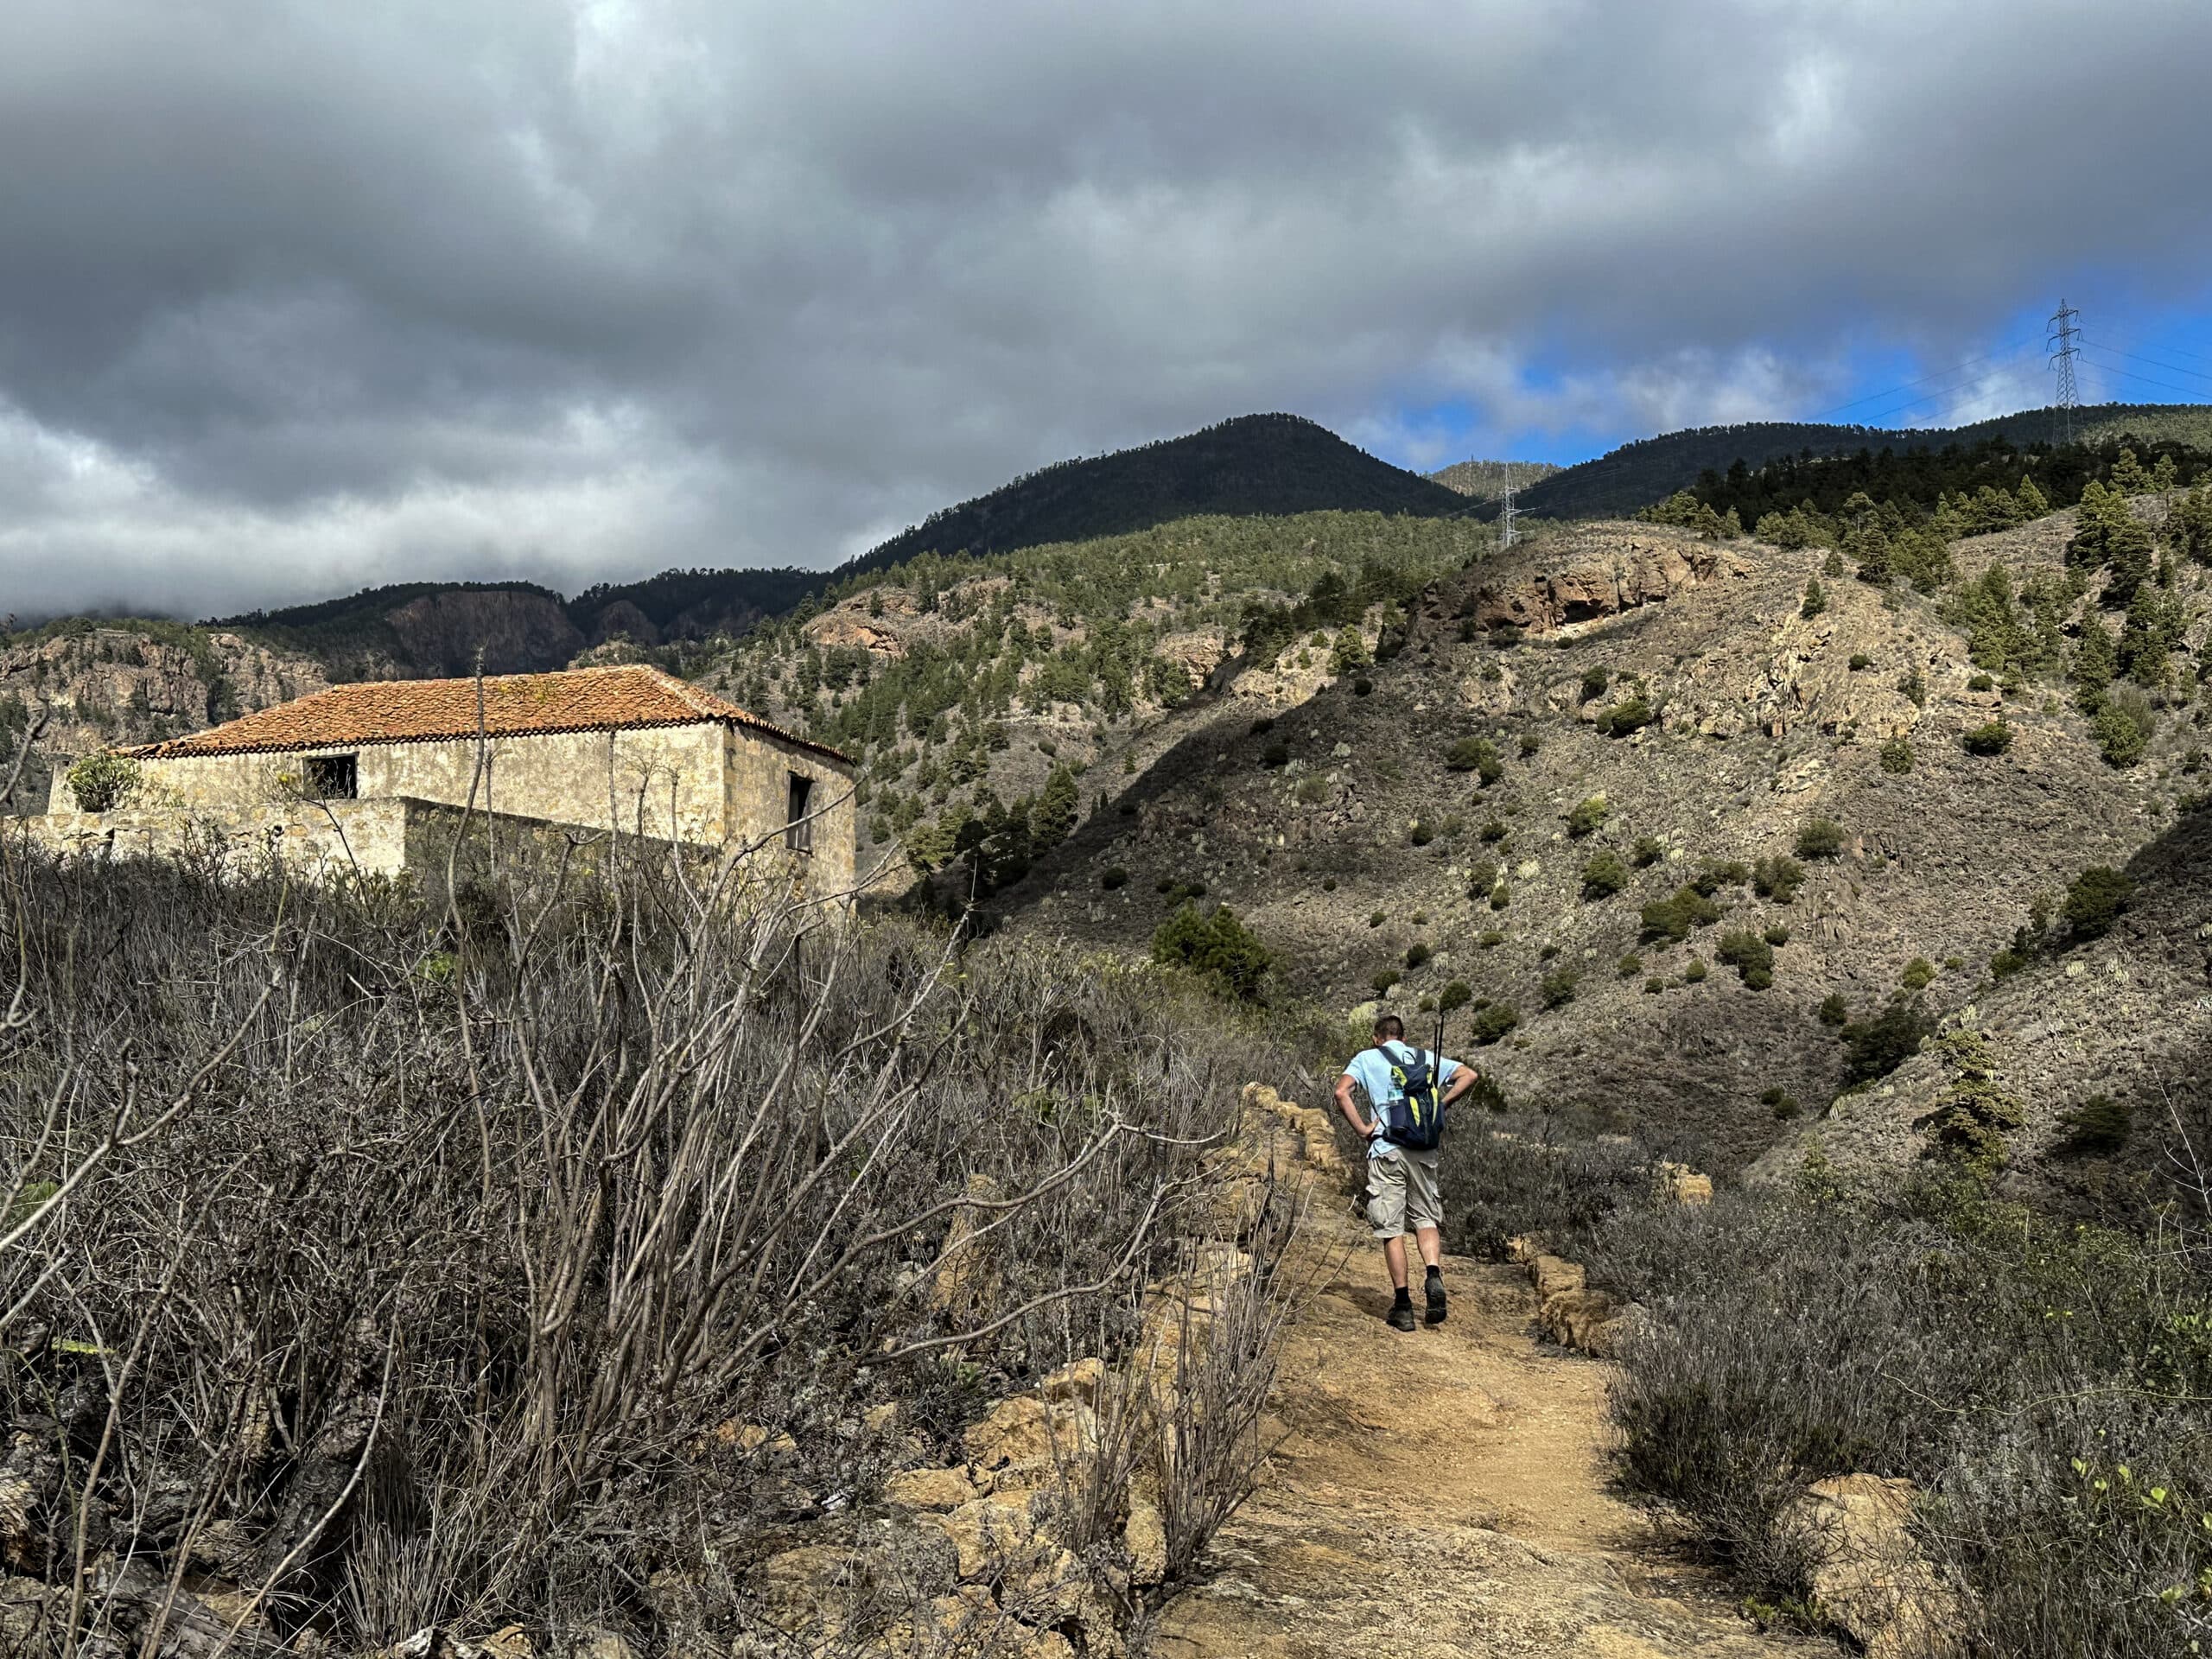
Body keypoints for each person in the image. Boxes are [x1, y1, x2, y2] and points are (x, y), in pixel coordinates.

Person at [1333, 1014, 1478, 1331]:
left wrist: (1362, 1129)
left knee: (1392, 1228)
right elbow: (1470, 1075)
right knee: (1426, 1218)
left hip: (1387, 1148)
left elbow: (1341, 1092)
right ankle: (1433, 1274)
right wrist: (1441, 1103)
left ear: (1376, 1037)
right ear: (1403, 1036)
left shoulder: (1366, 1058)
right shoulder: (1426, 1058)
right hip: (1424, 1150)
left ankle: (1402, 1305)